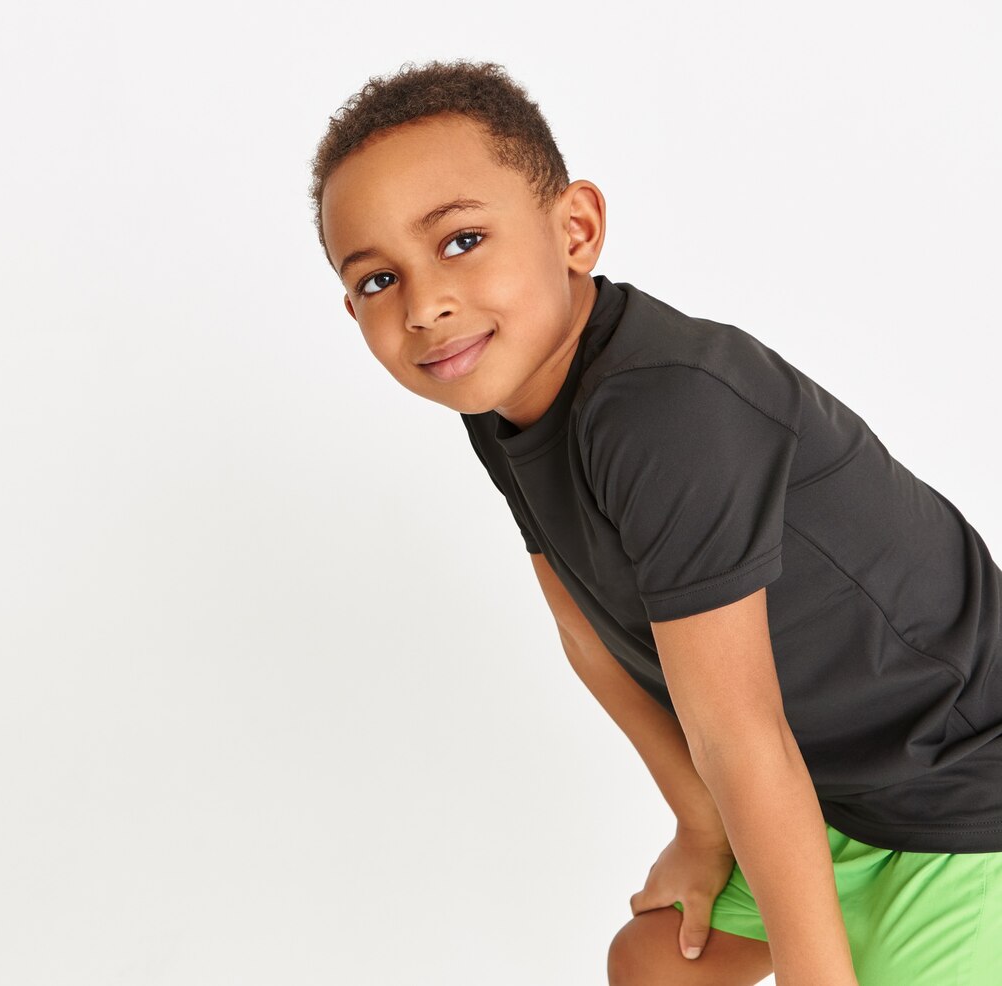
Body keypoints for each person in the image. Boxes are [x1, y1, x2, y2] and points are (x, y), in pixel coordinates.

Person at [307, 59, 1002, 985]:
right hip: (831, 790)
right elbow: (584, 630)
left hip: (961, 794)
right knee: (654, 965)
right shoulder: (503, 399)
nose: (425, 304)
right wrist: (701, 828)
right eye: (376, 281)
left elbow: (737, 729)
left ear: (575, 229)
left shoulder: (664, 410)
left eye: (463, 240)